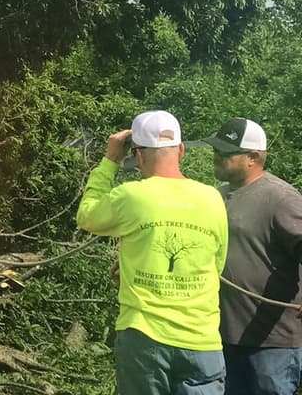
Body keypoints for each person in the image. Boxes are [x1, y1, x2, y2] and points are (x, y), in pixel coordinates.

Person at [76, 110, 229, 395]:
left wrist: (110, 160)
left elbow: (87, 215)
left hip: (144, 337)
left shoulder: (132, 196)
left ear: (139, 155)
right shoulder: (213, 198)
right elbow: (215, 265)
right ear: (181, 150)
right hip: (202, 339)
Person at [190, 118, 302, 395]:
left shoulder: (280, 198)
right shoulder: (216, 197)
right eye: (216, 150)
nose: (217, 157)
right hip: (221, 336)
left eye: (226, 153)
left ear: (253, 157)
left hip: (271, 342)